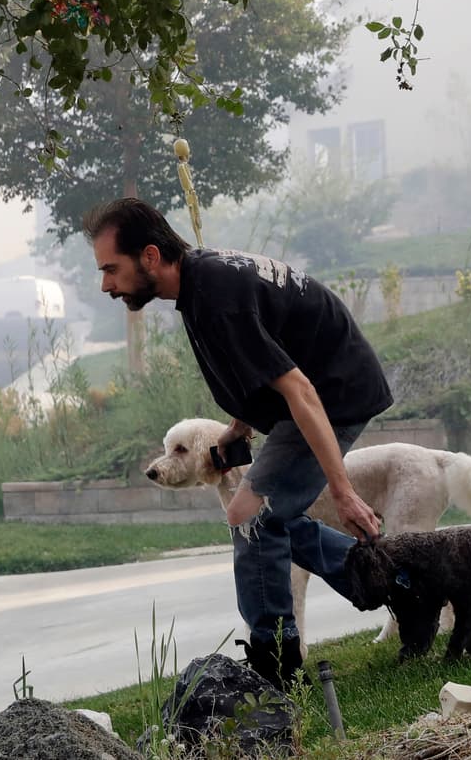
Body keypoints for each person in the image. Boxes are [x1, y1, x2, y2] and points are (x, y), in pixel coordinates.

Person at [83, 198, 392, 689]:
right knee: (270, 517)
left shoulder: (215, 298)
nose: (105, 285)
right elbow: (264, 362)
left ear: (149, 256)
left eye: (110, 269)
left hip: (333, 394)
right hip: (316, 393)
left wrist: (342, 490)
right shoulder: (201, 283)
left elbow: (300, 388)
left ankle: (275, 664)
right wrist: (240, 427)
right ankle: (396, 582)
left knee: (250, 515)